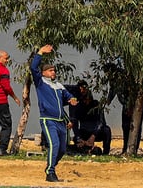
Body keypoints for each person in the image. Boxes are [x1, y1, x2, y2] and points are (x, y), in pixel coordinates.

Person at [31, 45, 79, 183]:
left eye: (54, 70)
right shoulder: (41, 83)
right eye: (50, 70)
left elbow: (67, 97)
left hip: (60, 121)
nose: (53, 72)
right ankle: (50, 172)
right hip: (48, 120)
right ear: (44, 73)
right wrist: (40, 53)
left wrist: (72, 100)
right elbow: (33, 68)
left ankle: (50, 167)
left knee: (62, 149)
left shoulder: (58, 85)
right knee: (54, 145)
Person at [69, 81, 112, 155]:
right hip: (85, 132)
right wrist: (79, 138)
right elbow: (74, 122)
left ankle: (105, 153)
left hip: (97, 132)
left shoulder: (96, 105)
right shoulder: (78, 106)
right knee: (76, 138)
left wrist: (93, 135)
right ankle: (86, 150)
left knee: (107, 130)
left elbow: (101, 122)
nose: (86, 101)